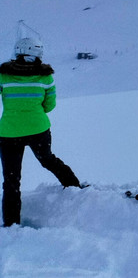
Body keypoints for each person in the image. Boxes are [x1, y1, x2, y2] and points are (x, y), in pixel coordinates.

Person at [0, 36, 82, 227]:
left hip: (9, 133)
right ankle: (74, 187)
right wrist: (33, 112)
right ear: (38, 54)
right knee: (48, 160)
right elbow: (50, 105)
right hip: (38, 130)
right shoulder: (46, 77)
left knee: (11, 180)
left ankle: (11, 224)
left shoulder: (3, 76)